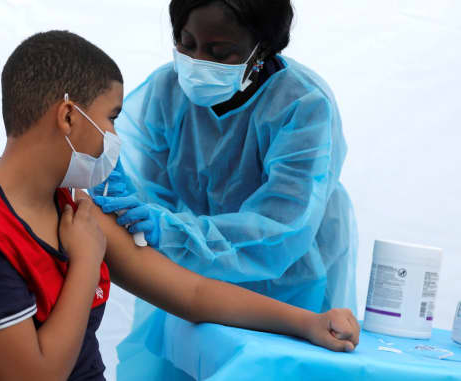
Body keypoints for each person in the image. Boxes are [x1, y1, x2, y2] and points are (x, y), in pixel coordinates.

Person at [0, 30, 359, 381]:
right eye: (110, 118)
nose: (115, 138)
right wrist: (86, 262)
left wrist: (308, 323)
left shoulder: (69, 205)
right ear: (68, 117)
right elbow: (36, 378)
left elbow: (192, 293)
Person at [92, 1, 358, 375]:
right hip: (186, 276)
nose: (197, 61)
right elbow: (140, 192)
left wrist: (170, 231)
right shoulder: (167, 91)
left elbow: (281, 230)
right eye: (186, 43)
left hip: (285, 283)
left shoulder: (303, 105)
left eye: (220, 53)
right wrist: (133, 206)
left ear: (261, 49)